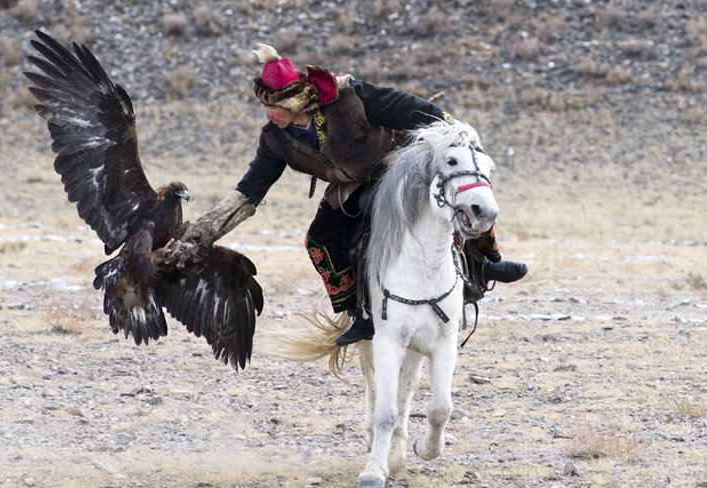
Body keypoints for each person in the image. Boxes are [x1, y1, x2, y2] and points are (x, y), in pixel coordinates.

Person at [174, 44, 527, 346]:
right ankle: (360, 313)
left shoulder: (349, 98)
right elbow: (249, 192)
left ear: (295, 101)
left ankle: (487, 261)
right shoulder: (275, 140)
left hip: (397, 167)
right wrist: (201, 234)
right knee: (319, 240)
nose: (268, 114)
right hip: (352, 188)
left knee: (464, 195)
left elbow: (410, 108)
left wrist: (457, 135)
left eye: (274, 106)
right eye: (264, 106)